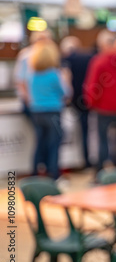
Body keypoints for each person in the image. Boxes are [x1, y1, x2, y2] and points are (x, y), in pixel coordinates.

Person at [83, 30, 116, 171]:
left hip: (104, 108)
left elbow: (93, 86)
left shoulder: (99, 61)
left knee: (103, 141)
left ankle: (102, 172)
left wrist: (91, 103)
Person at [28, 40, 71, 180]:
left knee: (39, 143)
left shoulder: (33, 74)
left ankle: (35, 172)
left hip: (36, 111)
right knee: (54, 144)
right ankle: (54, 175)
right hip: (52, 111)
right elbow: (65, 93)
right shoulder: (54, 74)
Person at [60, 36, 94, 168]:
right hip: (87, 100)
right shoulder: (88, 58)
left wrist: (67, 99)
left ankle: (78, 161)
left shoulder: (66, 61)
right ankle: (87, 160)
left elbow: (65, 82)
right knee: (87, 132)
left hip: (73, 102)